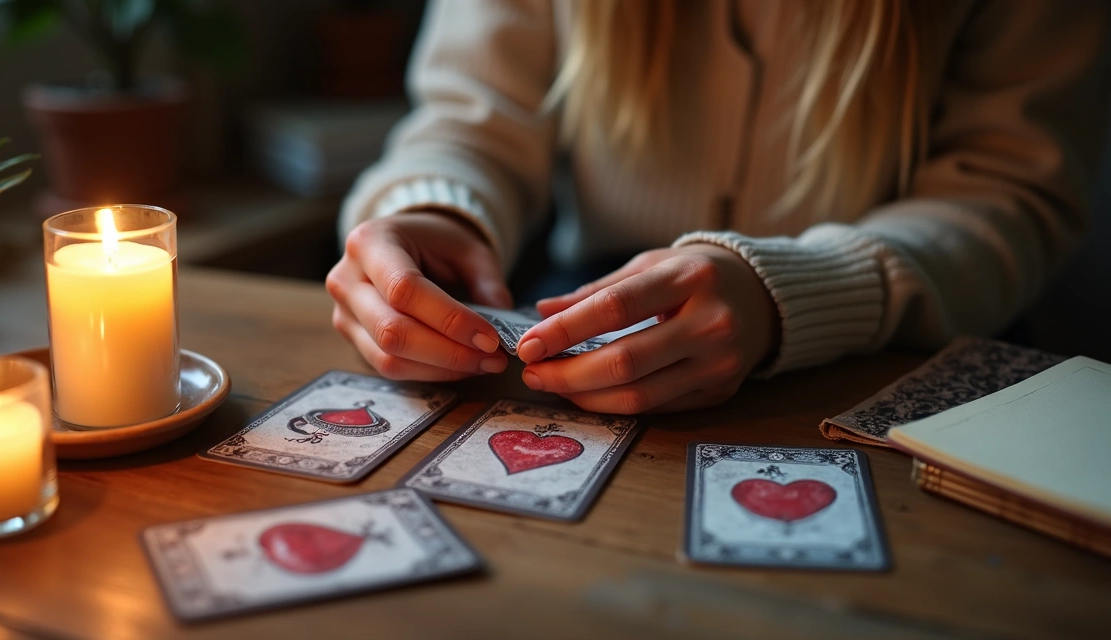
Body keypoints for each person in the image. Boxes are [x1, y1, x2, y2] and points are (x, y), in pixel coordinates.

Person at [326, 0, 1110, 414]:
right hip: (587, 310)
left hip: (917, 337)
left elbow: (1011, 187)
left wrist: (788, 294)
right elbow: (472, 119)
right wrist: (437, 210)